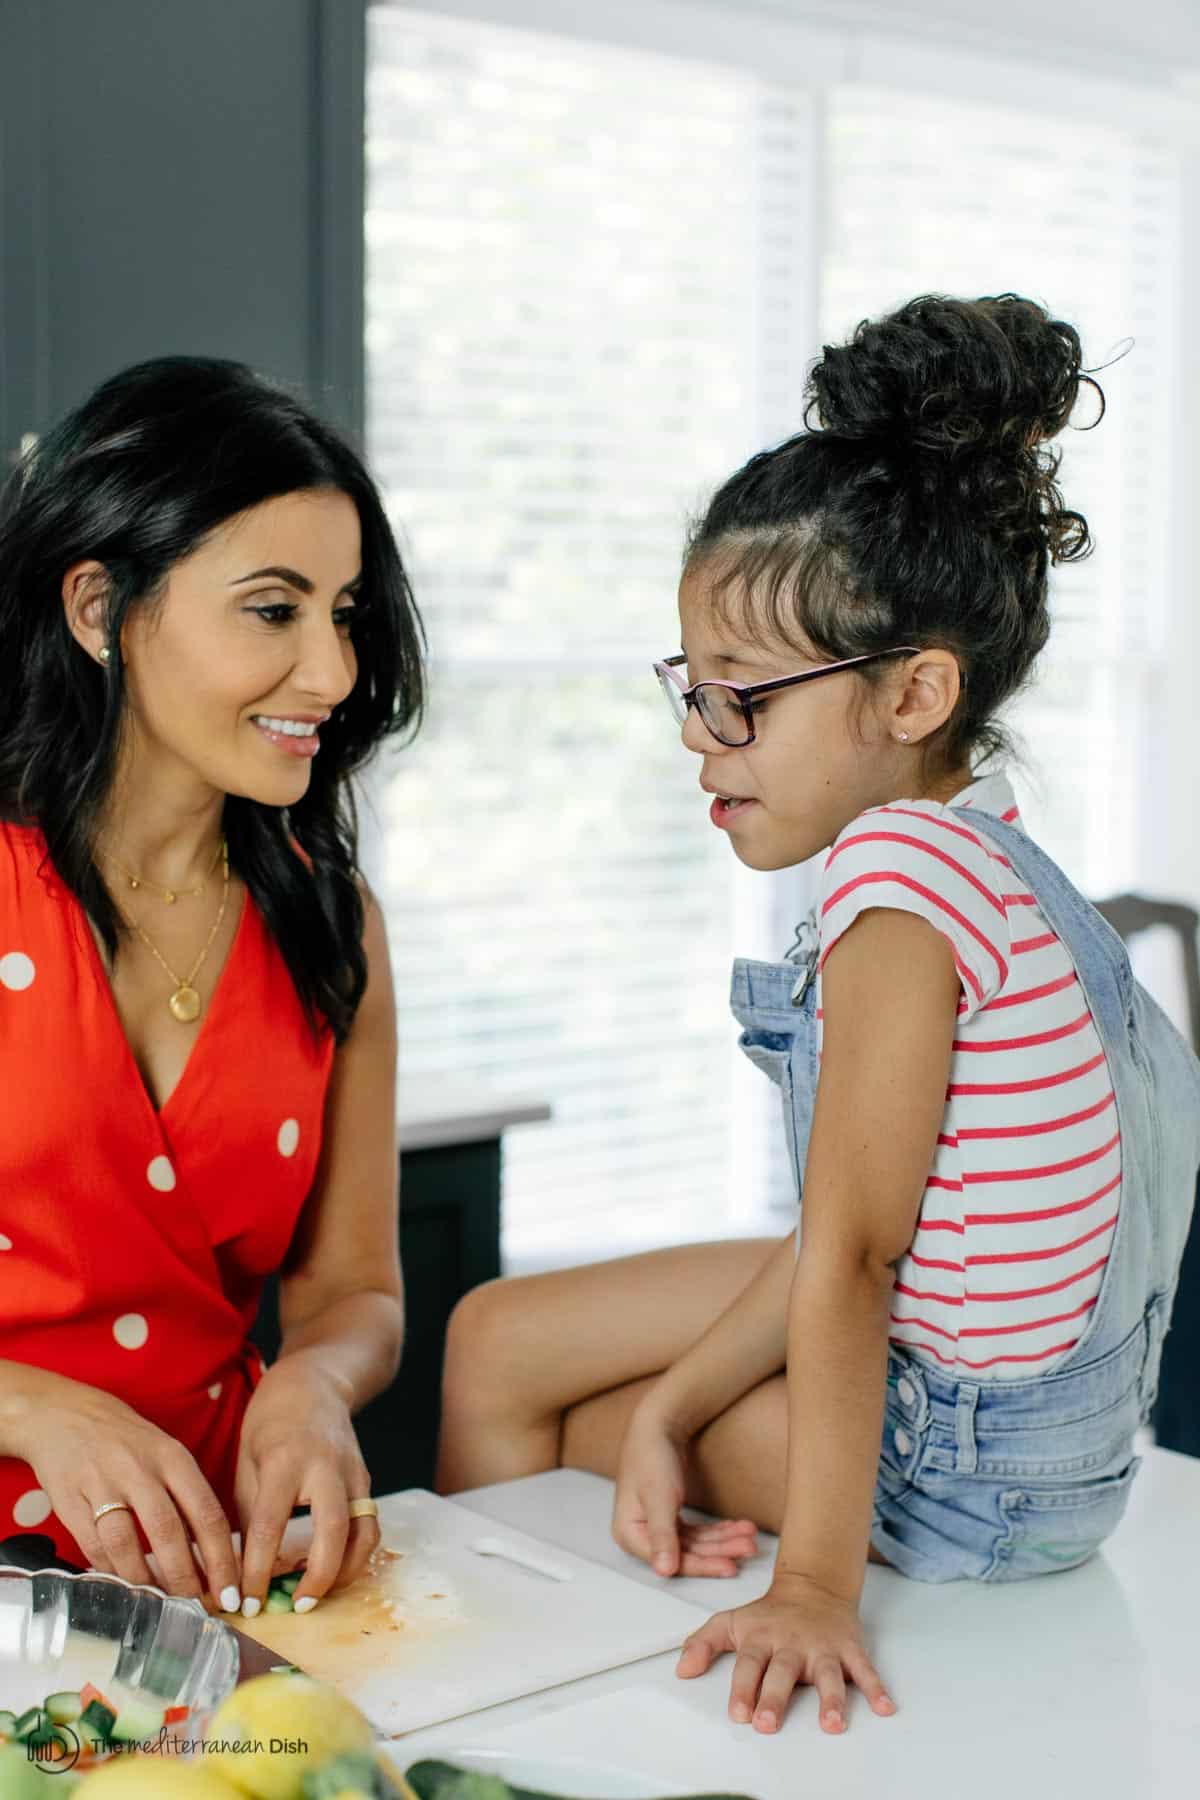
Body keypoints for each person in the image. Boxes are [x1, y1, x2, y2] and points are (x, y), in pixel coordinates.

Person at [436, 295, 1200, 1734]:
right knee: (502, 1332)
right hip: (1056, 1444)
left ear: (915, 691)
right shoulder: (988, 846)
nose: (699, 738)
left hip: (981, 1482)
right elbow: (870, 1220)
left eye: (744, 702)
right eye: (691, 691)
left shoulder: (895, 886)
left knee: (543, 1416)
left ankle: (503, 1717)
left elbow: (851, 1262)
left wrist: (814, 1586)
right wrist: (679, 1408)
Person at [0, 356, 423, 1620]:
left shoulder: (330, 922)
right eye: (271, 609)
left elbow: (359, 1292)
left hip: (217, 1585)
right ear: (97, 608)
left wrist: (314, 1385)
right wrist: (30, 1404)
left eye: (343, 612)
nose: (333, 674)